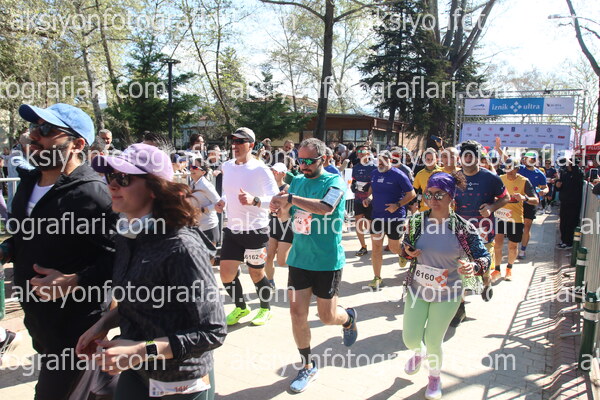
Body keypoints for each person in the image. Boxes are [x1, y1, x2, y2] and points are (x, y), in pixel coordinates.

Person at [79, 143, 226, 400]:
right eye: (110, 176)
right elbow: (138, 300)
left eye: (124, 178)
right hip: (138, 372)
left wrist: (139, 351)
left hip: (181, 382)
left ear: (154, 188)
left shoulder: (182, 247)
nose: (112, 185)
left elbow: (212, 331)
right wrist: (102, 324)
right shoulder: (128, 235)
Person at [2, 103, 117, 399]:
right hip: (40, 321)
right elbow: (26, 235)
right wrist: (7, 248)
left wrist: (75, 280)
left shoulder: (95, 194)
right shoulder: (28, 183)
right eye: (33, 127)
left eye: (46, 129)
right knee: (96, 389)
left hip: (77, 328)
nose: (34, 135)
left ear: (77, 144)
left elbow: (120, 258)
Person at [270, 138, 357, 393]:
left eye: (309, 161)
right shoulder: (297, 181)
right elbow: (287, 215)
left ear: (324, 159)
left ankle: (348, 318)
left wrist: (290, 198)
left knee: (327, 317)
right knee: (296, 313)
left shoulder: (334, 182)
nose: (304, 165)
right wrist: (279, 209)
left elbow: (325, 208)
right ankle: (307, 365)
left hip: (327, 261)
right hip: (300, 259)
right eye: (300, 160)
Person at [401, 172, 490, 400]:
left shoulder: (463, 227)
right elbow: (405, 248)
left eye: (439, 194)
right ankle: (418, 353)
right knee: (410, 338)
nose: (433, 199)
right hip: (417, 289)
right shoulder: (417, 221)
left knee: (433, 340)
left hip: (448, 293)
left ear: (451, 196)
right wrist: (408, 252)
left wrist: (474, 266)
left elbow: (484, 257)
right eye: (429, 194)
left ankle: (434, 377)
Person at [215, 127, 279, 326]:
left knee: (256, 273)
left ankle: (265, 309)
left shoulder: (260, 169)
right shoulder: (227, 166)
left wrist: (255, 200)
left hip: (255, 230)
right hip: (233, 229)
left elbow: (276, 200)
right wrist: (223, 201)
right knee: (226, 273)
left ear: (251, 145)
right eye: (233, 141)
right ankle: (241, 307)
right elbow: (229, 192)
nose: (235, 145)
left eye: (240, 141)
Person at [452, 140, 508, 325]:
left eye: (471, 155)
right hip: (460, 231)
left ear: (478, 158)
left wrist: (491, 207)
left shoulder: (490, 178)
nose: (468, 158)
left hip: (483, 232)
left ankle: (486, 282)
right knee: (460, 269)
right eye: (465, 155)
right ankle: (460, 309)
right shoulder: (455, 178)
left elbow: (505, 197)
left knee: (482, 268)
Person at [362, 150, 416, 289]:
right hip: (377, 216)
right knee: (376, 248)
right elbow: (373, 190)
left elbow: (412, 194)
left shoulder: (399, 175)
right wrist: (369, 198)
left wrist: (397, 205)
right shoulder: (374, 173)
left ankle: (403, 252)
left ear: (390, 160)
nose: (380, 163)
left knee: (393, 248)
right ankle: (377, 278)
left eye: (383, 160)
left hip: (395, 217)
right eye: (378, 160)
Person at [492, 158, 538, 282]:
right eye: (507, 169)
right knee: (498, 244)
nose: (509, 171)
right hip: (500, 215)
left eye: (512, 169)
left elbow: (536, 200)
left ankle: (509, 268)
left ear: (517, 169)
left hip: (515, 218)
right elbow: (491, 194)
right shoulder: (500, 179)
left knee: (512, 246)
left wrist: (525, 198)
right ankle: (497, 269)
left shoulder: (524, 181)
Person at [265, 162, 293, 288]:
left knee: (282, 261)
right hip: (272, 224)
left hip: (286, 226)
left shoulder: (288, 188)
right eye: (272, 171)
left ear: (283, 174)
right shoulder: (267, 188)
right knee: (269, 256)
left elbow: (291, 206)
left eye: (276, 171)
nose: (273, 173)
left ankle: (298, 275)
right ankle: (270, 281)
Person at [517, 152, 548, 259]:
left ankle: (522, 250)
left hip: (530, 202)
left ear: (534, 160)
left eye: (528, 159)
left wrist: (544, 191)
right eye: (525, 158)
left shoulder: (539, 174)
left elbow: (545, 187)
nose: (525, 160)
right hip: (517, 202)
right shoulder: (520, 169)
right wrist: (499, 149)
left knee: (527, 226)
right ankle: (514, 247)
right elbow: (507, 160)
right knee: (517, 227)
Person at [350, 145, 377, 256]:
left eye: (362, 151)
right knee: (358, 223)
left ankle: (375, 246)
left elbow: (376, 183)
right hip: (358, 199)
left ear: (368, 153)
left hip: (369, 200)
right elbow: (354, 180)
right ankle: (363, 247)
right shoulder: (355, 167)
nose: (360, 153)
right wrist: (353, 185)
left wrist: (370, 188)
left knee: (370, 225)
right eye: (358, 151)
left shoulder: (373, 167)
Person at [190, 158, 221, 247]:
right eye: (191, 166)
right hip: (197, 226)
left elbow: (219, 203)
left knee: (209, 255)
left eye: (195, 167)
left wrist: (203, 210)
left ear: (203, 172)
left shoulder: (206, 185)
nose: (191, 169)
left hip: (209, 227)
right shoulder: (192, 183)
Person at [555, 157, 584, 249]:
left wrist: (571, 164)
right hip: (564, 201)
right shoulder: (564, 172)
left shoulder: (578, 173)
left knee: (571, 223)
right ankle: (564, 240)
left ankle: (569, 242)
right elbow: (559, 185)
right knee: (563, 222)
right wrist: (557, 185)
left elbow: (577, 174)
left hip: (574, 203)